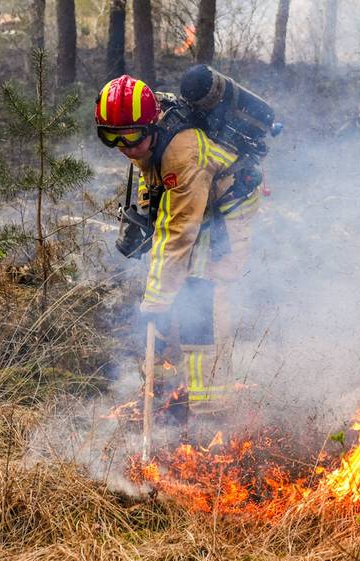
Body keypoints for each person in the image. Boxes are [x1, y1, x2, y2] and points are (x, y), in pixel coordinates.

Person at [95, 74, 263, 424]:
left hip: (227, 210)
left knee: (203, 293)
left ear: (151, 125)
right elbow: (149, 176)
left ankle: (211, 412)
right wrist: (147, 213)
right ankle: (179, 384)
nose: (123, 146)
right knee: (176, 284)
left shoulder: (183, 153)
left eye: (129, 136)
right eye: (109, 136)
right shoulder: (145, 136)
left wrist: (153, 306)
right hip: (194, 204)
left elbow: (178, 233)